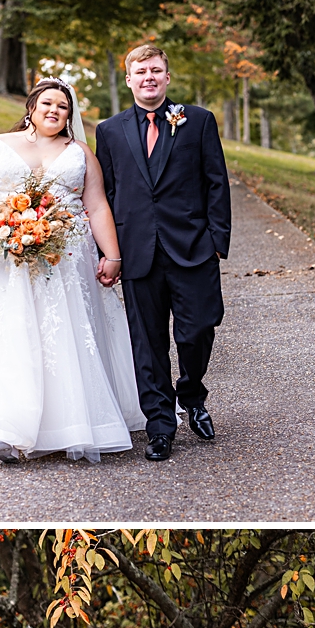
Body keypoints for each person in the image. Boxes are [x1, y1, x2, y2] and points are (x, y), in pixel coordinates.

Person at [0, 78, 145, 464]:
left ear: (70, 115)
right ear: (31, 107)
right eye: (47, 103)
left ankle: (71, 420)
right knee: (14, 331)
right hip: (8, 255)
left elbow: (98, 206)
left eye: (63, 106)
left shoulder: (81, 152)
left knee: (66, 334)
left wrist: (113, 255)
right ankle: (7, 428)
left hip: (68, 257)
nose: (55, 110)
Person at [93, 43, 231, 461]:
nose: (149, 77)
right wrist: (110, 251)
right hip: (138, 253)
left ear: (167, 77)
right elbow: (107, 194)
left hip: (193, 249)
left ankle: (191, 394)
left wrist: (216, 242)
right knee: (147, 343)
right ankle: (160, 425)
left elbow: (216, 183)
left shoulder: (198, 121)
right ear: (129, 78)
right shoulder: (110, 131)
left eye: (156, 70)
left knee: (198, 331)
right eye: (141, 71)